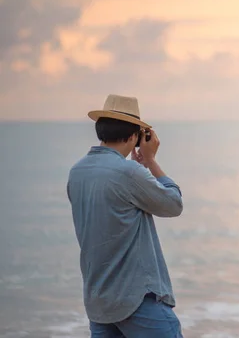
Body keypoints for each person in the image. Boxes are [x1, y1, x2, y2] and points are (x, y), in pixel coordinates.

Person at [67, 94, 184, 337]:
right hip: (136, 299)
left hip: (99, 299)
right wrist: (150, 161)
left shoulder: (77, 172)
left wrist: (139, 172)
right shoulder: (128, 172)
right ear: (134, 136)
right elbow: (173, 204)